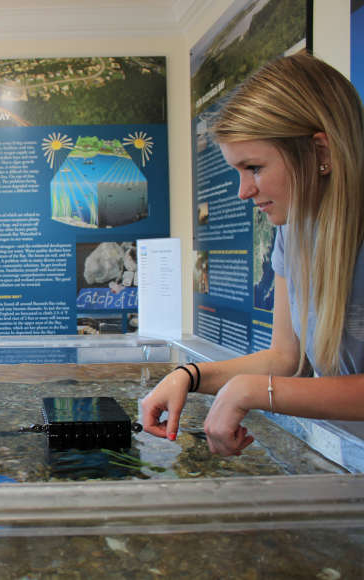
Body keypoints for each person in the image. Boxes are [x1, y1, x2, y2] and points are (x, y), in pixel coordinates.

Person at [141, 51, 364, 457]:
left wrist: (252, 391)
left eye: (255, 168)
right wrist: (188, 376)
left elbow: (274, 379)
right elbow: (286, 358)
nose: (244, 192)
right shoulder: (293, 230)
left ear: (320, 152)